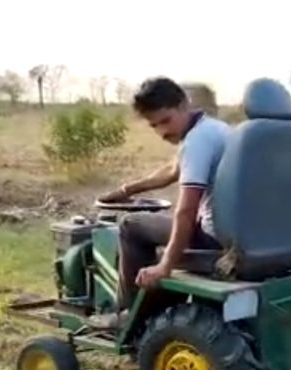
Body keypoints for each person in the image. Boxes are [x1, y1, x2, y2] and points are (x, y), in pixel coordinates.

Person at [88, 77, 232, 329]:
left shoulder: (196, 142)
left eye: (166, 121)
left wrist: (166, 265)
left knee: (130, 225)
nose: (162, 132)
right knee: (150, 225)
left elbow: (186, 210)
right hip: (234, 234)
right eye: (154, 126)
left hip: (213, 239)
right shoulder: (215, 129)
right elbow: (172, 170)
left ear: (184, 104)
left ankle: (127, 315)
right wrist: (126, 190)